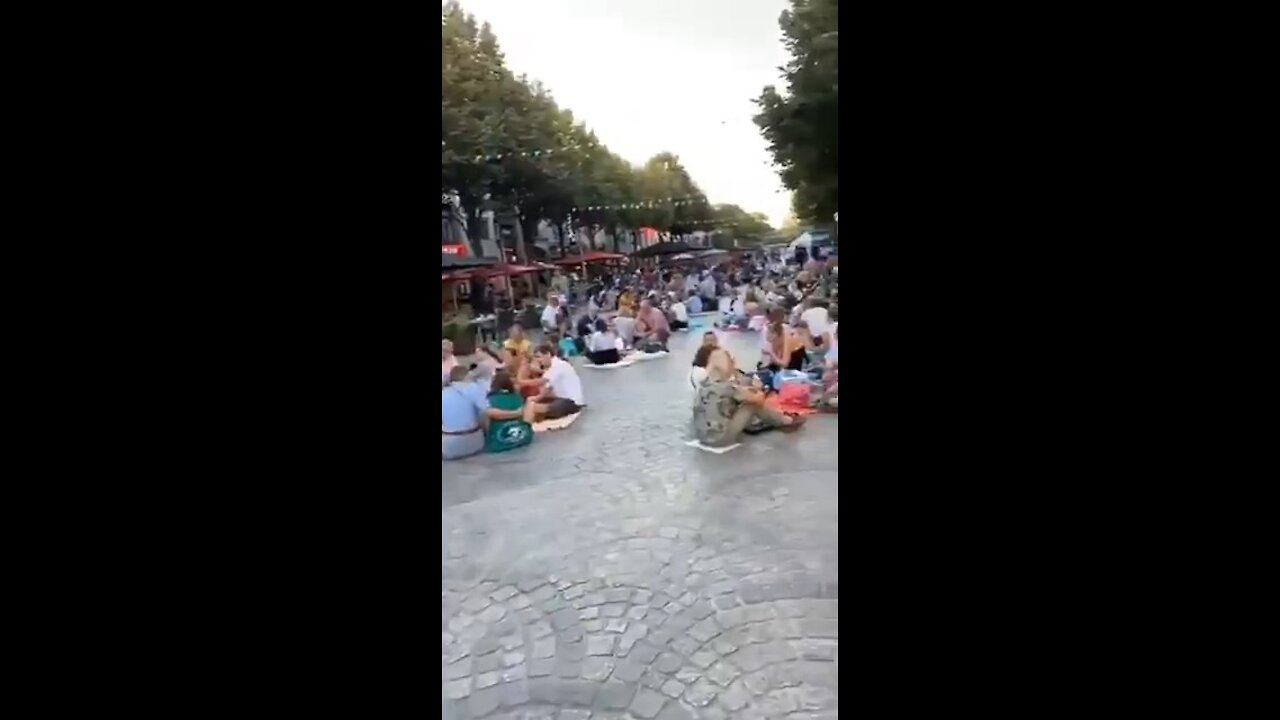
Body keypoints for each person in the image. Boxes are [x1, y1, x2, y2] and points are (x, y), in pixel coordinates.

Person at [692, 349, 803, 447]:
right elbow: (758, 399)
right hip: (720, 439)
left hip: (703, 436)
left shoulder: (703, 384)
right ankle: (784, 421)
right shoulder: (728, 387)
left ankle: (775, 420)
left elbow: (734, 393)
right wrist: (757, 389)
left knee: (735, 404)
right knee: (752, 405)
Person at [442, 366, 488, 459]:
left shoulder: (443, 393)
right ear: (467, 376)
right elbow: (486, 413)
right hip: (476, 443)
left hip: (448, 448)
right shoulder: (475, 388)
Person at [529, 344, 585, 421]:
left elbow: (541, 384)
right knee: (534, 405)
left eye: (539, 357)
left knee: (535, 408)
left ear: (548, 354)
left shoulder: (558, 365)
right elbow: (545, 389)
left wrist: (519, 381)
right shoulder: (550, 368)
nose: (538, 360)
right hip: (561, 398)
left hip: (572, 401)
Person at [485, 371, 535, 452]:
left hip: (499, 440)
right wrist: (517, 413)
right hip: (522, 436)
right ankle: (528, 429)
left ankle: (488, 436)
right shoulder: (518, 398)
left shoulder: (489, 400)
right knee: (531, 403)